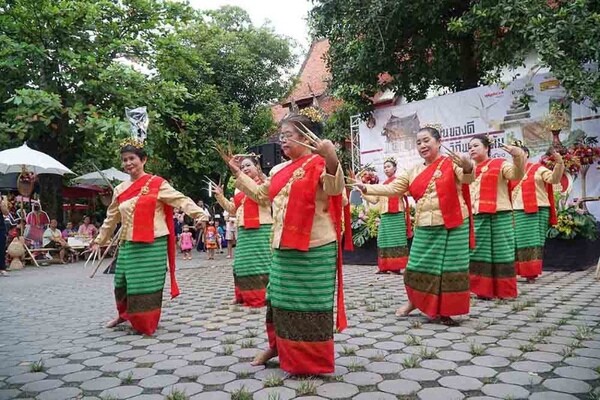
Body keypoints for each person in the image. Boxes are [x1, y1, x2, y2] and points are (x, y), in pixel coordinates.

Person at [222, 111, 348, 376]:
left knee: (310, 306)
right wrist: (237, 173)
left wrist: (332, 157)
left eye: (288, 136)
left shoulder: (320, 162)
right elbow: (260, 194)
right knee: (278, 300)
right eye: (281, 136)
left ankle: (310, 361)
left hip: (315, 247)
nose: (283, 141)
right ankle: (277, 346)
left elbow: (337, 193)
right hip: (281, 246)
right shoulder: (279, 170)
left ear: (307, 137)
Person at [355, 126, 474, 326]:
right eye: (418, 142)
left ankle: (446, 311)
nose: (422, 145)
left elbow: (468, 178)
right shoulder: (413, 171)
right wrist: (366, 187)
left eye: (426, 140)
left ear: (438, 142)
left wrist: (468, 166)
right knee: (416, 267)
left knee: (450, 269)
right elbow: (393, 188)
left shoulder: (451, 163)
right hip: (426, 225)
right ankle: (414, 302)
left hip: (454, 223)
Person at [91, 139, 208, 336]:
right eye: (125, 160)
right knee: (121, 282)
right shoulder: (120, 189)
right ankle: (124, 314)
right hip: (128, 243)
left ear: (143, 159)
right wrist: (98, 241)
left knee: (145, 283)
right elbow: (111, 218)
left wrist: (201, 215)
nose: (128, 163)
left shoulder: (157, 183)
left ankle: (145, 322)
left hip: (153, 242)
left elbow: (181, 200)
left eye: (132, 158)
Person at [468, 134, 525, 299]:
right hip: (477, 215)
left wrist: (517, 155)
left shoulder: (500, 164)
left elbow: (517, 174)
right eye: (469, 147)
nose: (471, 149)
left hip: (501, 213)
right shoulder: (467, 169)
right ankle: (481, 289)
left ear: (487, 148)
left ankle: (505, 290)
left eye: (476, 145)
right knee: (478, 253)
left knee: (503, 252)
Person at [214, 155, 273, 307]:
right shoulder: (238, 188)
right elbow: (233, 210)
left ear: (257, 167)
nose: (245, 169)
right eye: (242, 167)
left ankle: (264, 295)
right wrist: (220, 197)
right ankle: (242, 295)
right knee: (241, 264)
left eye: (248, 165)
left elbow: (264, 200)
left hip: (262, 228)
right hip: (244, 229)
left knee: (261, 263)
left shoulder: (265, 182)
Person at [509, 142, 564, 283]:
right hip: (516, 210)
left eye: (519, 152)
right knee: (516, 241)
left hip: (538, 209)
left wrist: (559, 163)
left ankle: (530, 273)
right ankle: (515, 271)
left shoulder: (538, 169)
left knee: (533, 242)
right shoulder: (510, 170)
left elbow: (554, 179)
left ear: (526, 154)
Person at [361, 157, 412, 274]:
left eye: (388, 166)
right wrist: (362, 192)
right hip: (385, 215)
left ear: (394, 168)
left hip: (397, 214)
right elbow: (374, 200)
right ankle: (384, 267)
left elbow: (408, 192)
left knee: (397, 241)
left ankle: (397, 267)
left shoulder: (400, 182)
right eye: (384, 167)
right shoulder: (383, 185)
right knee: (383, 240)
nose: (386, 169)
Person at [0, 198, 9, 276]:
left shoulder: (1, 202)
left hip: (0, 228)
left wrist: (1, 204)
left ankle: (2, 268)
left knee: (1, 248)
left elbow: (6, 213)